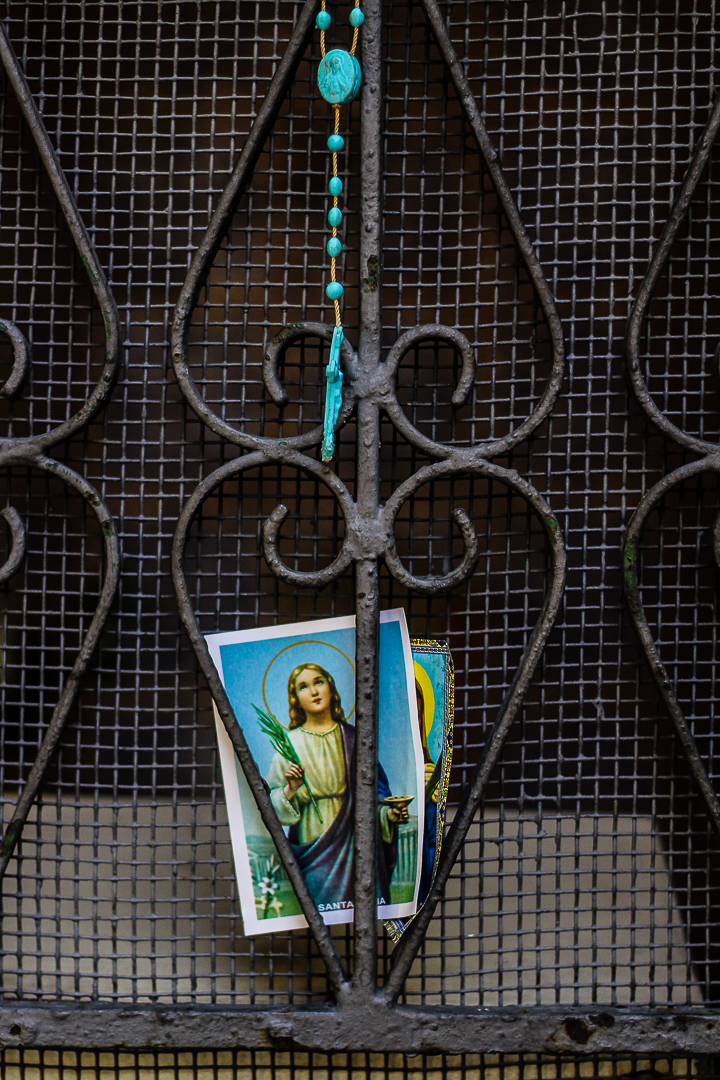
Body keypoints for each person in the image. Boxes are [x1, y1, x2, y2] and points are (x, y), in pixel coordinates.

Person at [266, 663, 407, 909]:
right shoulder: (289, 744)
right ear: (296, 699)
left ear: (331, 688)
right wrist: (291, 788)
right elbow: (269, 805)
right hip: (311, 844)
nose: (313, 691)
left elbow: (376, 796)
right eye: (303, 687)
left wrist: (388, 814)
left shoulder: (356, 738)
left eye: (319, 682)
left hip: (355, 844)